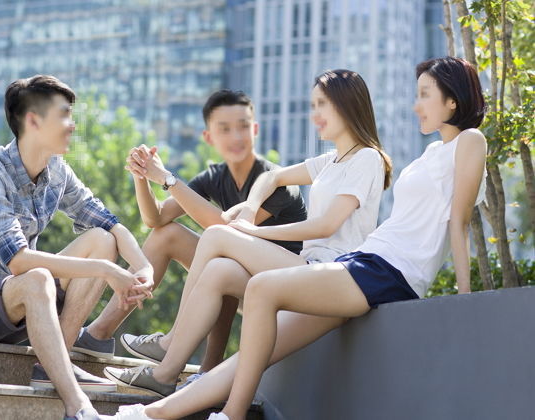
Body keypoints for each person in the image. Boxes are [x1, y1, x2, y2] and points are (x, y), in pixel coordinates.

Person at [108, 56, 487, 420]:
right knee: (246, 333)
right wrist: (250, 207)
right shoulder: (431, 151)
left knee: (254, 281)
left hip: (386, 271)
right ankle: (154, 411)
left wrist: (466, 299)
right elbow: (271, 177)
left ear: (452, 100)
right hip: (362, 264)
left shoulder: (469, 141)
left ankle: (220, 401)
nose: (416, 104)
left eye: (424, 94)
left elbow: (459, 221)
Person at [103, 69, 392, 397]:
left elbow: (326, 225)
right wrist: (252, 207)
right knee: (219, 270)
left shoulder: (367, 158)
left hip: (332, 275)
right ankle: (166, 374)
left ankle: (170, 349)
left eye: (321, 104)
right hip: (306, 270)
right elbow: (272, 178)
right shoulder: (331, 161)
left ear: (345, 103)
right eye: (313, 105)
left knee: (216, 236)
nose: (314, 114)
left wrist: (255, 232)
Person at [0, 75, 154, 420]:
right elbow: (19, 262)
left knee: (101, 239)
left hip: (24, 306)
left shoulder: (57, 170)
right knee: (37, 276)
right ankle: (78, 408)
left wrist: (143, 267)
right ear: (34, 121)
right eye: (64, 115)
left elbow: (109, 223)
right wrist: (106, 270)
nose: (72, 125)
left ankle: (53, 362)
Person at [71, 90, 307, 374]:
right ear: (209, 137)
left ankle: (205, 367)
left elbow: (227, 231)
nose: (236, 136)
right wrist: (142, 177)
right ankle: (98, 334)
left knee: (223, 258)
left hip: (279, 286)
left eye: (244, 126)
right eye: (225, 129)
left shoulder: (275, 180)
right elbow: (156, 219)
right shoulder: (215, 177)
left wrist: (167, 179)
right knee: (166, 236)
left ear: (255, 129)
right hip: (239, 273)